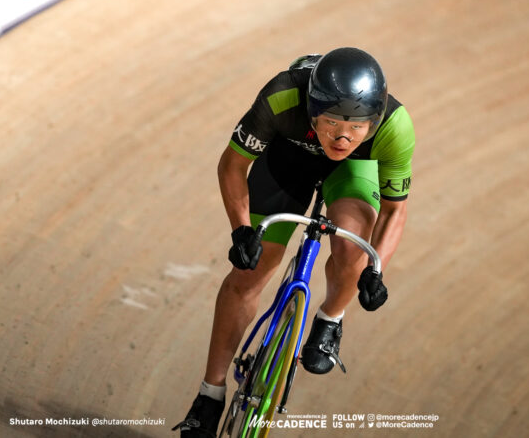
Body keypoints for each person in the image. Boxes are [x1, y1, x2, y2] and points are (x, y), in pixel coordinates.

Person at [173, 47, 415, 437]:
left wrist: (376, 269)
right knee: (250, 271)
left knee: (353, 249)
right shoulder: (281, 98)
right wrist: (241, 231)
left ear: (375, 121)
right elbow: (232, 164)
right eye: (333, 122)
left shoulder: (395, 126)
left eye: (357, 126)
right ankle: (209, 394)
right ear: (312, 111)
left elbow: (393, 211)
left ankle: (330, 319)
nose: (343, 135)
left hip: (352, 172)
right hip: (289, 159)